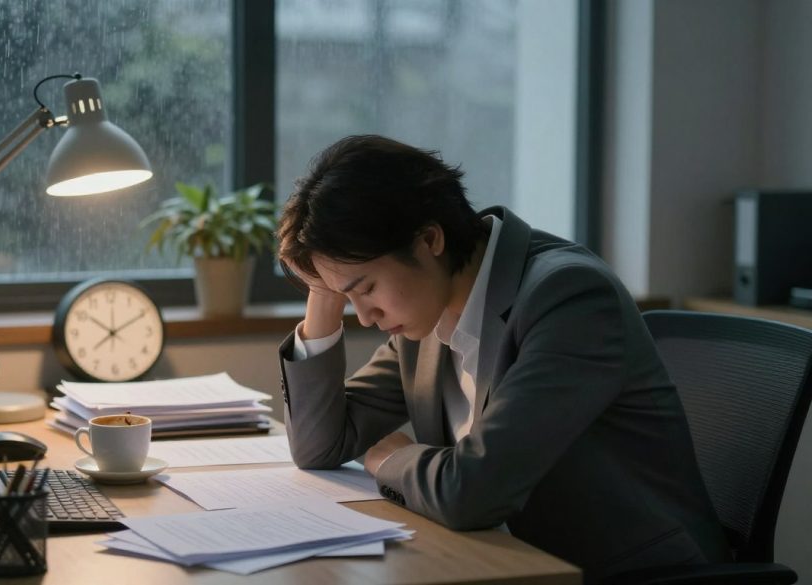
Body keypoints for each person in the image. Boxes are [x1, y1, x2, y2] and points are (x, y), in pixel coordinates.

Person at [275, 135, 730, 582]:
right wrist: (325, 290)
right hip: (499, 557)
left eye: (366, 288)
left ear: (429, 239)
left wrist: (391, 459)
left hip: (619, 571)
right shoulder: (427, 309)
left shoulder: (568, 298)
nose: (368, 318)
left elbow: (472, 492)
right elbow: (321, 446)